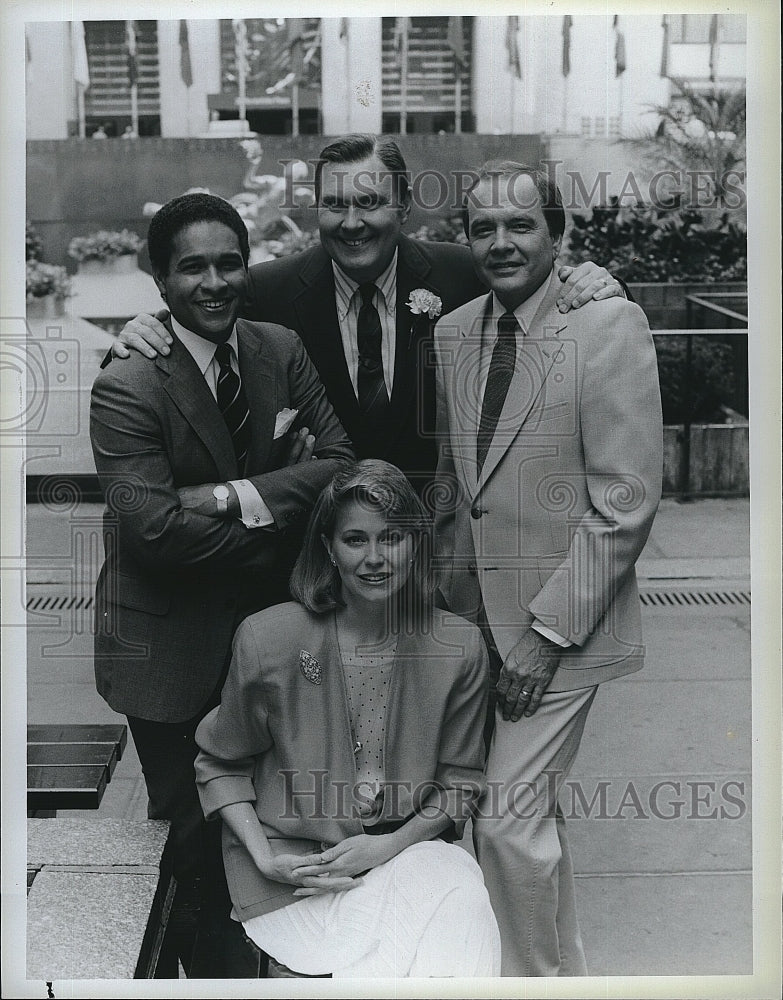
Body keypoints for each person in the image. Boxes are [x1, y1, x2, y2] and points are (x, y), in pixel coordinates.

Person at [90, 192, 353, 976]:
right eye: (192, 267)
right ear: (160, 280)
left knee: (276, 833)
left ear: (248, 264)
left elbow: (338, 463)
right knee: (196, 850)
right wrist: (280, 507)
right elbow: (155, 535)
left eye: (229, 262)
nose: (214, 282)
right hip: (171, 653)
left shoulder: (279, 347)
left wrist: (230, 495)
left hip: (273, 644)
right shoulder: (129, 382)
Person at [109, 134, 625, 498]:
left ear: (403, 207)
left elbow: (539, 285)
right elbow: (199, 306)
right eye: (335, 205)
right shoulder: (268, 288)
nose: (351, 223)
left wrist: (601, 284)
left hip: (436, 542)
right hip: (312, 545)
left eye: (369, 203)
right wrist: (137, 333)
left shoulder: (465, 273)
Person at [433, 161, 663, 977]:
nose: (500, 242)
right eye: (483, 227)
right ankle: (565, 970)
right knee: (531, 819)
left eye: (521, 225)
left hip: (562, 627)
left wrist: (543, 636)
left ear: (557, 236)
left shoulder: (606, 324)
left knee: (504, 821)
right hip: (473, 622)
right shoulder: (453, 330)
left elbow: (625, 501)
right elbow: (461, 483)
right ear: (465, 237)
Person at [194, 459, 500, 978]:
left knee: (463, 905)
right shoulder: (269, 638)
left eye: (393, 538)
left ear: (416, 546)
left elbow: (459, 784)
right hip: (295, 875)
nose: (375, 558)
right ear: (329, 550)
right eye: (355, 540)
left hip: (403, 851)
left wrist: (386, 846)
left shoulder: (458, 646)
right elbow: (222, 764)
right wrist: (264, 856)